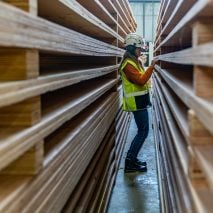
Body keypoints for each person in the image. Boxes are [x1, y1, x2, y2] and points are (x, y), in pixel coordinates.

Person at [119, 33, 156, 173]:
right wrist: (151, 67)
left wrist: (143, 63)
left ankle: (132, 159)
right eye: (139, 48)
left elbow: (141, 78)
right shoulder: (128, 65)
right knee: (143, 131)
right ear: (131, 48)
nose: (141, 51)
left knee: (142, 131)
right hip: (136, 103)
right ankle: (130, 162)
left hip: (140, 101)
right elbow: (140, 81)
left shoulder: (134, 61)